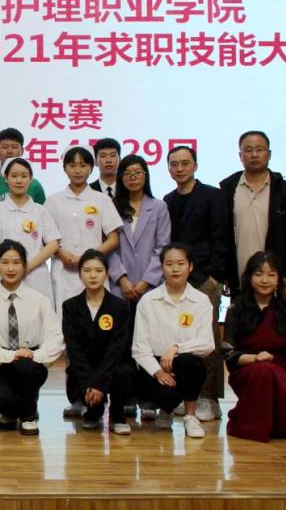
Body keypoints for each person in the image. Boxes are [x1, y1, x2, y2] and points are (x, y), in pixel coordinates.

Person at [0, 240, 65, 435]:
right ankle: (14, 411)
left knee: (25, 368)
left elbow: (55, 336)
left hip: (30, 362)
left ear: (24, 265)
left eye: (16, 262)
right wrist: (9, 355)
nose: (10, 268)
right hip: (0, 361)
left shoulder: (39, 300)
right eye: (5, 262)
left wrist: (36, 355)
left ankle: (28, 415)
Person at [163, 145, 227, 422]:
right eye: (174, 164)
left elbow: (223, 239)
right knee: (180, 337)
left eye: (185, 163)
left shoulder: (212, 196)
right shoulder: (168, 200)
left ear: (195, 166)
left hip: (205, 280)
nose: (179, 169)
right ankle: (188, 394)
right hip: (178, 280)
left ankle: (209, 398)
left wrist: (214, 277)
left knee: (207, 340)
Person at [222, 251, 286, 442]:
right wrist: (254, 358)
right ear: (249, 277)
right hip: (248, 371)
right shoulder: (236, 310)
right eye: (259, 274)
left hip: (282, 373)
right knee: (263, 370)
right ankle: (253, 426)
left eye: (271, 275)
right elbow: (227, 352)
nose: (264, 280)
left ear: (278, 279)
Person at [131, 243, 214, 439]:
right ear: (162, 267)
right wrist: (158, 371)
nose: (175, 269)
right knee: (166, 394)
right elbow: (139, 348)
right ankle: (166, 409)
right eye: (169, 264)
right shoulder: (148, 300)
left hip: (185, 363)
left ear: (190, 267)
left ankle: (190, 416)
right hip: (154, 365)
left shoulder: (201, 300)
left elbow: (207, 344)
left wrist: (177, 348)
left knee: (192, 364)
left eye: (180, 263)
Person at [218, 130, 286, 295]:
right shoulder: (228, 188)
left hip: (275, 279)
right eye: (248, 150)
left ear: (269, 154)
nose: (254, 155)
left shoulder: (284, 189)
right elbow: (221, 234)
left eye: (259, 149)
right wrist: (224, 272)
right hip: (239, 277)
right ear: (240, 156)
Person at [61, 249, 134, 435]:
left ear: (107, 273)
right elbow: (73, 348)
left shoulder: (120, 306)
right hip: (84, 368)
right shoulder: (70, 306)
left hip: (112, 366)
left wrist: (99, 383)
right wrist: (89, 383)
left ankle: (117, 416)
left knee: (124, 371)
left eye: (98, 270)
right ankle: (93, 411)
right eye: (87, 270)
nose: (93, 275)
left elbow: (117, 348)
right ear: (79, 274)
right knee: (77, 375)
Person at [47, 146, 123, 314]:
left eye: (83, 165)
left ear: (91, 167)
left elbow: (113, 239)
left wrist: (88, 258)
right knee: (63, 317)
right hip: (63, 270)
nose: (78, 170)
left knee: (98, 317)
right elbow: (46, 238)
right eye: (72, 165)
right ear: (64, 168)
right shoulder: (53, 201)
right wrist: (62, 253)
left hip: (95, 269)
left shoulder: (102, 199)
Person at [0, 157, 60, 300]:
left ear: (31, 178)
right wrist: (6, 266)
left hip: (35, 277)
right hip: (6, 277)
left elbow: (53, 244)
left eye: (24, 176)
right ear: (6, 178)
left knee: (39, 312)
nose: (19, 180)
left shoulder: (40, 211)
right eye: (14, 176)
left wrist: (26, 267)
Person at [108, 155, 171, 304]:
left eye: (137, 172)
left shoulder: (159, 207)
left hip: (151, 286)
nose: (133, 177)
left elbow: (162, 248)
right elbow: (109, 248)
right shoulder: (111, 206)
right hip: (119, 286)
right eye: (127, 173)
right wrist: (122, 279)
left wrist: (146, 282)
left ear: (145, 175)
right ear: (120, 178)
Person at [0, 127, 46, 206]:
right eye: (5, 147)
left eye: (14, 147)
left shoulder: (34, 186)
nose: (9, 151)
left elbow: (42, 212)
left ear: (22, 151)